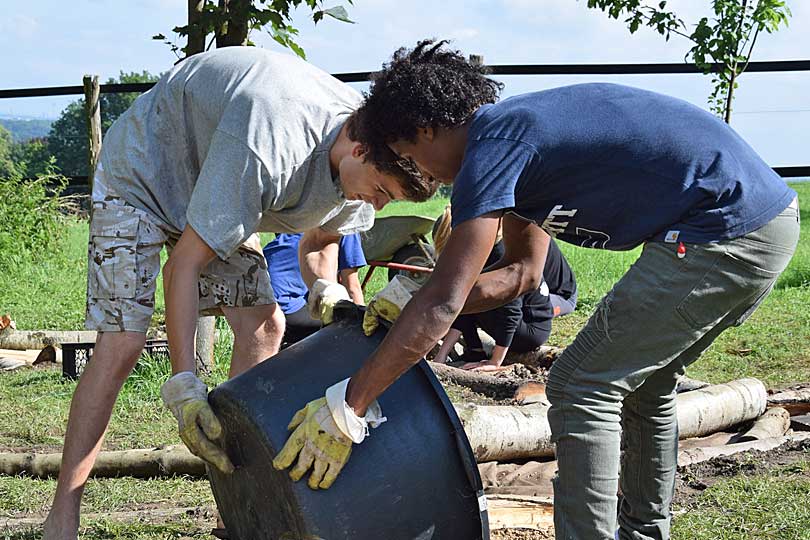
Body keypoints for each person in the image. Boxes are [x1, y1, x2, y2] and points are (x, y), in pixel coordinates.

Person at [271, 40, 799, 540]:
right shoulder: (517, 143)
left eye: (405, 154)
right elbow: (521, 274)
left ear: (426, 129)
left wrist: (350, 407)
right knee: (647, 386)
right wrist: (412, 296)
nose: (419, 175)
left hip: (724, 231)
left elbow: (446, 304)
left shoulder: (493, 145)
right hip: (760, 224)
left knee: (581, 386)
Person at [43, 46, 436, 540]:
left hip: (218, 186)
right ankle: (63, 516)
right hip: (143, 178)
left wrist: (326, 290)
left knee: (265, 325)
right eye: (380, 191)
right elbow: (183, 265)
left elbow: (319, 242)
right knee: (122, 343)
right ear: (358, 150)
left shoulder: (371, 158)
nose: (377, 205)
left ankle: (238, 512)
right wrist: (185, 386)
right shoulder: (270, 141)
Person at [431, 206, 577, 370]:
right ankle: (475, 350)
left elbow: (511, 311)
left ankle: (481, 352)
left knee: (471, 295)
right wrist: (441, 356)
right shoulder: (488, 245)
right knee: (465, 292)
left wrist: (495, 362)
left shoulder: (501, 252)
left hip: (535, 325)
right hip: (528, 310)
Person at [263, 232, 367, 346]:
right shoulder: (346, 228)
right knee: (345, 327)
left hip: (253, 302)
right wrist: (363, 328)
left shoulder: (307, 219)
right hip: (283, 309)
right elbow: (352, 287)